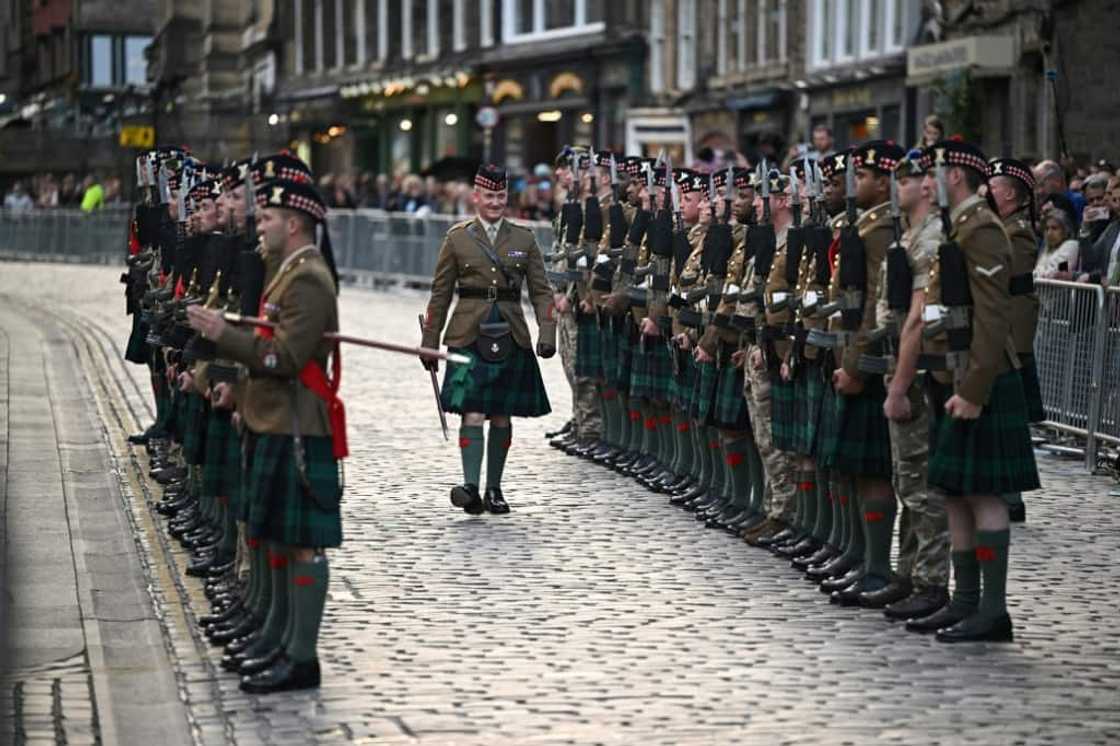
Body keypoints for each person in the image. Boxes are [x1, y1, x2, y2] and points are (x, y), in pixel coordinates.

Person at [188, 175, 345, 692]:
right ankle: (278, 641)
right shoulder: (287, 270)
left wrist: (223, 337)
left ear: (294, 223)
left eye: (267, 218)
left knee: (301, 543)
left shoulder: (309, 278)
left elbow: (284, 356)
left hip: (297, 424)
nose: (259, 225)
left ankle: (301, 659)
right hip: (272, 417)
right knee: (276, 534)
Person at [907, 139, 1040, 643]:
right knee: (955, 492)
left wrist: (976, 389)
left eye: (931, 173)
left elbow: (993, 316)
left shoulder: (981, 227)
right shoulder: (960, 225)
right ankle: (964, 602)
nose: (925, 183)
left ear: (955, 175)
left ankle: (992, 609)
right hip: (953, 374)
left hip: (982, 377)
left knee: (984, 495)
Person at [420, 164, 557, 515]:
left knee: (501, 414)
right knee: (473, 411)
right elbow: (440, 294)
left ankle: (495, 489)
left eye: (500, 196)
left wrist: (547, 332)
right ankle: (470, 486)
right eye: (489, 196)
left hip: (511, 330)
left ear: (506, 197)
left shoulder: (524, 238)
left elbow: (542, 291)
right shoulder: (457, 238)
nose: (495, 202)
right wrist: (430, 341)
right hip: (468, 330)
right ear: (476, 197)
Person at [819, 140, 905, 605]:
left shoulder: (882, 229)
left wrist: (855, 365)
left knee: (873, 471)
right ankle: (858, 556)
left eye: (866, 176)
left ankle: (875, 567)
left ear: (885, 180)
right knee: (852, 468)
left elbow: (875, 304)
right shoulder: (863, 224)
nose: (857, 184)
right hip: (848, 353)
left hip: (868, 362)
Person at [876, 149, 950, 620]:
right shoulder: (908, 235)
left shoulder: (931, 238)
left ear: (927, 185)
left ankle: (931, 580)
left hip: (919, 371)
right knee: (906, 480)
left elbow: (919, 321)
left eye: (905, 179)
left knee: (922, 486)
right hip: (899, 362)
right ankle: (906, 573)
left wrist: (900, 385)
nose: (896, 186)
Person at [988, 157, 1044, 523]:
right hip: (1002, 332)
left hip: (1010, 336)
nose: (986, 191)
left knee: (1008, 420)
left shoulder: (1017, 230)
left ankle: (1010, 497)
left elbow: (1004, 274)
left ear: (1009, 193)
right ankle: (1003, 493)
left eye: (993, 186)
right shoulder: (1001, 226)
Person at [1033, 159, 1085, 226]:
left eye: (1042, 185)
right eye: (1036, 187)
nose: (1039, 191)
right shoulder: (1041, 203)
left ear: (1056, 181)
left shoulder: (1077, 200)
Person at [1034, 210, 1080, 278]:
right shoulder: (1047, 248)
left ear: (1065, 230)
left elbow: (1057, 272)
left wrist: (1040, 272)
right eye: (1047, 229)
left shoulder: (1072, 245)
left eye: (1054, 228)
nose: (1049, 233)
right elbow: (1036, 273)